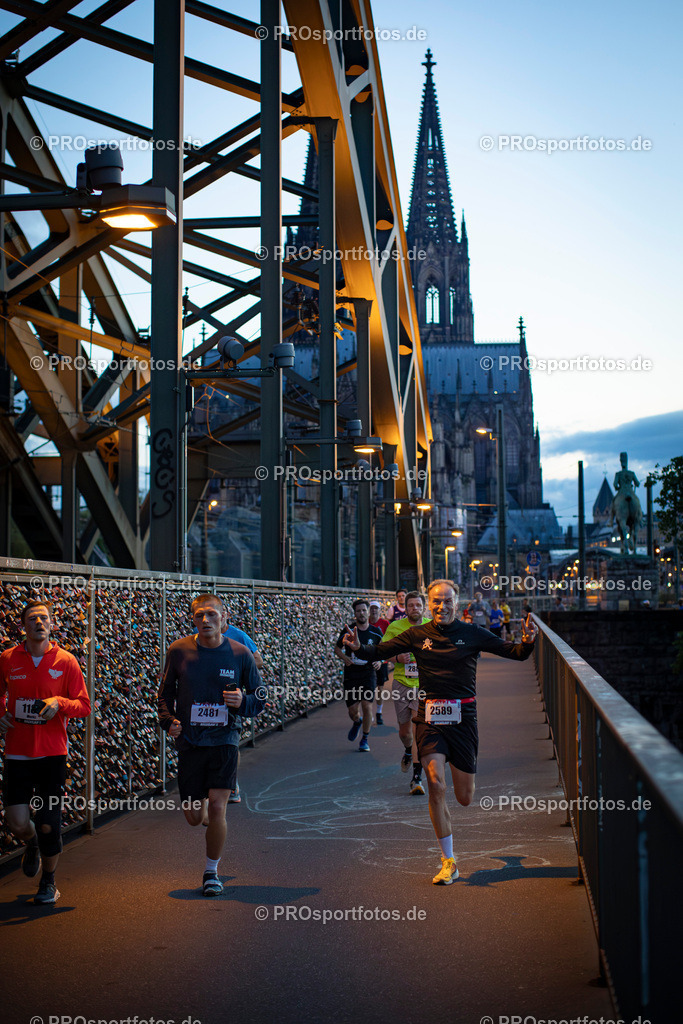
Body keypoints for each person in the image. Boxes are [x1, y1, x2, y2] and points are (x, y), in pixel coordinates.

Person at [343, 579, 537, 886]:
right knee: (435, 783)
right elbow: (380, 650)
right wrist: (357, 648)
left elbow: (515, 652)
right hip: (430, 717)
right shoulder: (418, 634)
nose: (441, 606)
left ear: (456, 604)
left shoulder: (472, 633)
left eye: (447, 601)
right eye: (436, 601)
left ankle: (457, 837)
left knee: (464, 797)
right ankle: (449, 861)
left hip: (463, 720)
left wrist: (527, 641)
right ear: (429, 604)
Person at [158, 593, 266, 896]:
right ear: (193, 619)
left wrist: (242, 700)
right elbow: (164, 693)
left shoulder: (240, 653)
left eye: (212, 615)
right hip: (191, 741)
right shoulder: (178, 651)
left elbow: (260, 698)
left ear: (225, 618)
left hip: (225, 740)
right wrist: (169, 722)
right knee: (195, 817)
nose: (206, 620)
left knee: (219, 806)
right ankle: (205, 818)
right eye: (199, 616)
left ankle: (210, 872)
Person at [0, 599, 91, 904]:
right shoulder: (7, 659)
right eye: (33, 619)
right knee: (16, 822)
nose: (39, 623)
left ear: (52, 624)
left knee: (50, 822)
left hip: (52, 756)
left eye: (44, 618)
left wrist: (59, 703)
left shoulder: (65, 661)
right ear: (23, 626)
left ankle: (48, 882)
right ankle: (32, 843)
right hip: (17, 754)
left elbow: (84, 706)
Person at [383, 590, 430, 795]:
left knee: (418, 727)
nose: (414, 609)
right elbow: (383, 650)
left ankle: (417, 778)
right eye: (411, 605)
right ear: (405, 607)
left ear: (423, 607)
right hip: (402, 683)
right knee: (405, 732)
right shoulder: (395, 627)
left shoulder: (431, 626)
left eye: (418, 605)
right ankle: (407, 752)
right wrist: (397, 659)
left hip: (424, 685)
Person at [221, 618, 264, 804]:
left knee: (230, 743)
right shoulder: (195, 639)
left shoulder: (238, 636)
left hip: (230, 698)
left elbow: (258, 661)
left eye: (215, 614)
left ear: (224, 615)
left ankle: (232, 784)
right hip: (206, 700)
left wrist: (234, 669)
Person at [334, 600, 383, 752]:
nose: (361, 613)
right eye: (358, 611)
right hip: (351, 673)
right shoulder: (348, 631)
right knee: (353, 710)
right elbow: (337, 649)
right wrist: (345, 658)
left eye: (363, 610)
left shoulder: (376, 632)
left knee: (367, 706)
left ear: (368, 612)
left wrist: (380, 661)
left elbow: (384, 651)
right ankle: (357, 721)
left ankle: (365, 739)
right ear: (354, 613)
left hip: (368, 672)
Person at [368, 600, 389, 724]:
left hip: (382, 661)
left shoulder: (385, 623)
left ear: (379, 610)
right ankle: (368, 712)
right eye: (372, 608)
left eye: (376, 608)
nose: (374, 610)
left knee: (380, 687)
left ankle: (379, 712)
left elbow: (388, 643)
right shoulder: (365, 623)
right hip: (368, 660)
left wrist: (383, 659)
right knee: (368, 688)